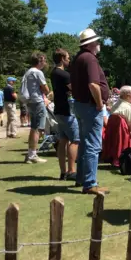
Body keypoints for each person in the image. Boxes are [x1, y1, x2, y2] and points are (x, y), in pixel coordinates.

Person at [69, 29, 110, 194]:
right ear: (91, 43)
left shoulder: (78, 58)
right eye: (97, 42)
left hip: (80, 105)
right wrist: (99, 103)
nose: (99, 45)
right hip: (90, 105)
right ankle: (90, 183)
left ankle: (82, 179)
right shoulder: (90, 59)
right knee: (93, 145)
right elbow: (93, 84)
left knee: (86, 144)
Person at [51, 48, 79, 181]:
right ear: (62, 58)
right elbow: (75, 89)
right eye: (67, 57)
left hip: (58, 110)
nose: (69, 60)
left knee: (63, 141)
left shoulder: (53, 73)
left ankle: (63, 172)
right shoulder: (64, 75)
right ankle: (71, 171)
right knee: (75, 140)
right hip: (68, 111)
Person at [24, 52, 49, 164]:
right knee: (38, 129)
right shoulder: (38, 72)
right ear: (39, 60)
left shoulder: (28, 71)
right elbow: (46, 89)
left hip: (30, 101)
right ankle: (33, 155)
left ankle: (30, 154)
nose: (45, 62)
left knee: (33, 128)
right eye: (43, 60)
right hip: (38, 101)